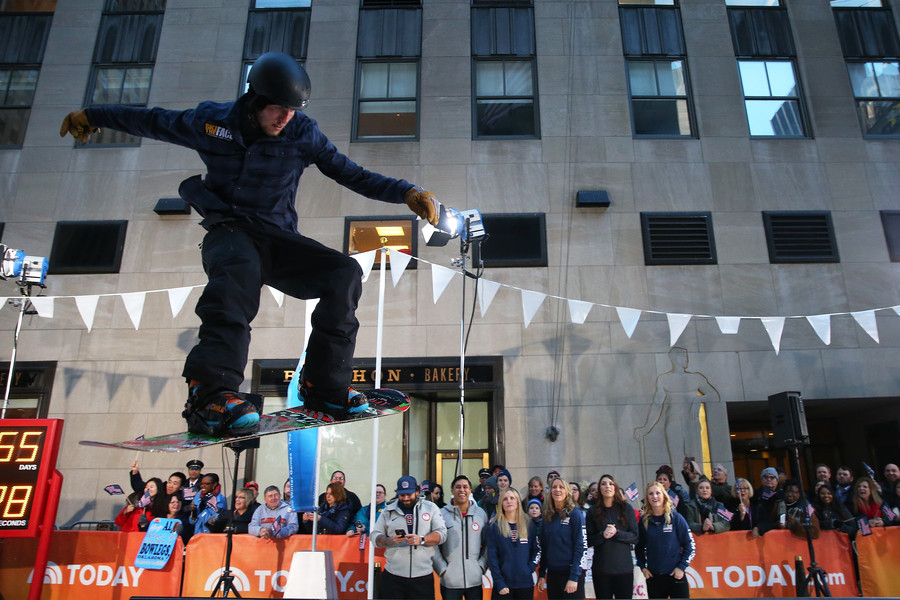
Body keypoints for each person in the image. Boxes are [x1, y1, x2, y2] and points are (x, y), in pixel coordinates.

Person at [60, 51, 440, 435]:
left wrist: (406, 192)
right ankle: (209, 394)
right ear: (255, 100)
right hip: (230, 232)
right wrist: (93, 115)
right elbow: (153, 120)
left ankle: (324, 386)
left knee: (344, 273)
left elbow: (350, 173)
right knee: (237, 279)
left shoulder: (303, 133)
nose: (284, 118)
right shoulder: (212, 122)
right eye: (277, 109)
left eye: (292, 111)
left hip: (279, 240)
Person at [372, 476, 447, 600]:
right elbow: (375, 536)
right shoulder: (388, 510)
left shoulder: (430, 508)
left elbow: (442, 534)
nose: (406, 498)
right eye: (402, 495)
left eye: (409, 494)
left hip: (422, 577)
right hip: (393, 576)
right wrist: (389, 541)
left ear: (417, 491)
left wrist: (422, 539)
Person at [636, 482, 695, 599]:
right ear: (647, 498)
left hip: (675, 575)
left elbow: (690, 545)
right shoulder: (644, 521)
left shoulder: (676, 518)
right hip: (654, 578)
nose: (655, 496)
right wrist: (643, 567)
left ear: (664, 496)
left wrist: (681, 567)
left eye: (658, 493)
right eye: (651, 494)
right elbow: (638, 547)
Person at [434, 475, 489, 600]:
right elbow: (434, 545)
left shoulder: (480, 514)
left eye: (465, 487)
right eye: (458, 487)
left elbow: (488, 544)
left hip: (475, 580)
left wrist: (481, 566)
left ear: (470, 491)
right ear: (452, 490)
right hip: (450, 581)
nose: (462, 490)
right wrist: (442, 569)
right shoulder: (441, 514)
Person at [586, 474, 639, 600]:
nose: (607, 486)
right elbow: (588, 540)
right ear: (599, 489)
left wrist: (617, 533)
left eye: (610, 483)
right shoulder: (592, 511)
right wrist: (602, 535)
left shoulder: (626, 509)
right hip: (601, 570)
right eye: (603, 484)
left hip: (624, 569)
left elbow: (635, 537)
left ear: (615, 487)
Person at [485, 488, 541, 600]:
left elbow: (537, 550)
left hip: (525, 584)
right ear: (501, 503)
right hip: (503, 585)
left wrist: (529, 568)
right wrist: (499, 581)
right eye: (505, 499)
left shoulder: (529, 524)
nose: (509, 501)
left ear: (517, 502)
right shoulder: (494, 526)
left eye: (512, 498)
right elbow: (492, 557)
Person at [538, 478, 587, 600]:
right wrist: (542, 574)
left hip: (571, 574)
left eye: (561, 487)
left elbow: (581, 546)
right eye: (554, 487)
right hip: (553, 574)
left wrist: (574, 577)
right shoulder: (547, 516)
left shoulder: (575, 514)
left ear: (567, 491)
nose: (557, 490)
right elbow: (544, 547)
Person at [751, 467, 782, 538]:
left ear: (777, 480)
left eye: (772, 477)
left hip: (777, 535)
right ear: (761, 480)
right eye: (765, 477)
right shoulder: (754, 495)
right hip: (756, 532)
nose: (769, 479)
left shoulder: (782, 496)